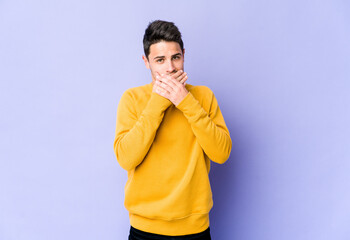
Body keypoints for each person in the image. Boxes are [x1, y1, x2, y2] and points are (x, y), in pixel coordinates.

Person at [113, 20, 232, 240]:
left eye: (175, 57)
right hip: (144, 229)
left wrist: (186, 102)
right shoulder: (132, 99)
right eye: (160, 60)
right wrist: (158, 103)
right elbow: (126, 159)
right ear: (146, 62)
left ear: (184, 55)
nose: (170, 68)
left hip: (194, 229)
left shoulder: (203, 97)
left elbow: (221, 153)